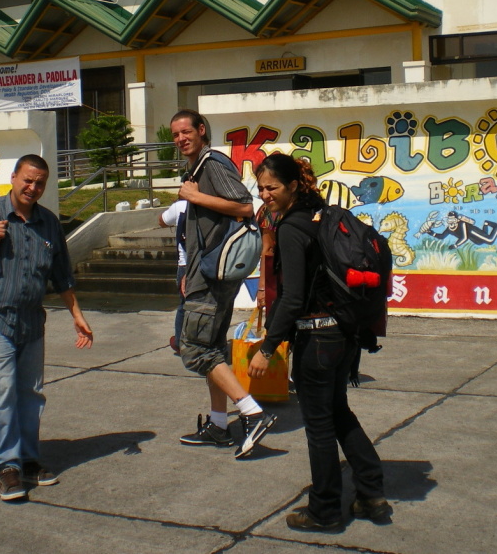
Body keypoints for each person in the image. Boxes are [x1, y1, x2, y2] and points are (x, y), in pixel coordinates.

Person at [248, 154, 391, 532]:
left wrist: (267, 348)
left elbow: (293, 297)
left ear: (293, 185)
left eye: (272, 187)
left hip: (317, 339)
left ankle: (325, 509)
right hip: (343, 334)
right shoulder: (322, 216)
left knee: (320, 427)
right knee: (338, 412)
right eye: (261, 187)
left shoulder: (292, 228)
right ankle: (371, 493)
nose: (265, 195)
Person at [0, 154, 94, 502]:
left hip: (31, 322)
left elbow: (61, 275)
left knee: (31, 395)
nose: (32, 187)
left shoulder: (49, 223)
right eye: (27, 180)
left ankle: (28, 459)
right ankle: (6, 468)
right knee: (3, 394)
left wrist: (76, 314)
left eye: (40, 182)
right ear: (13, 177)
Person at [170, 108, 276, 459]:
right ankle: (218, 424)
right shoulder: (198, 167)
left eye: (187, 132)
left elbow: (245, 206)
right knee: (212, 347)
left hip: (213, 273)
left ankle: (251, 412)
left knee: (195, 349)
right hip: (205, 270)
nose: (181, 139)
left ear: (202, 130)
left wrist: (194, 196)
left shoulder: (212, 162)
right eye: (175, 135)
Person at [158, 198, 188, 352]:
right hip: (206, 263)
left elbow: (162, 220)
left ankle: (179, 341)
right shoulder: (210, 203)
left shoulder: (179, 206)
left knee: (184, 304)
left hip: (185, 264)